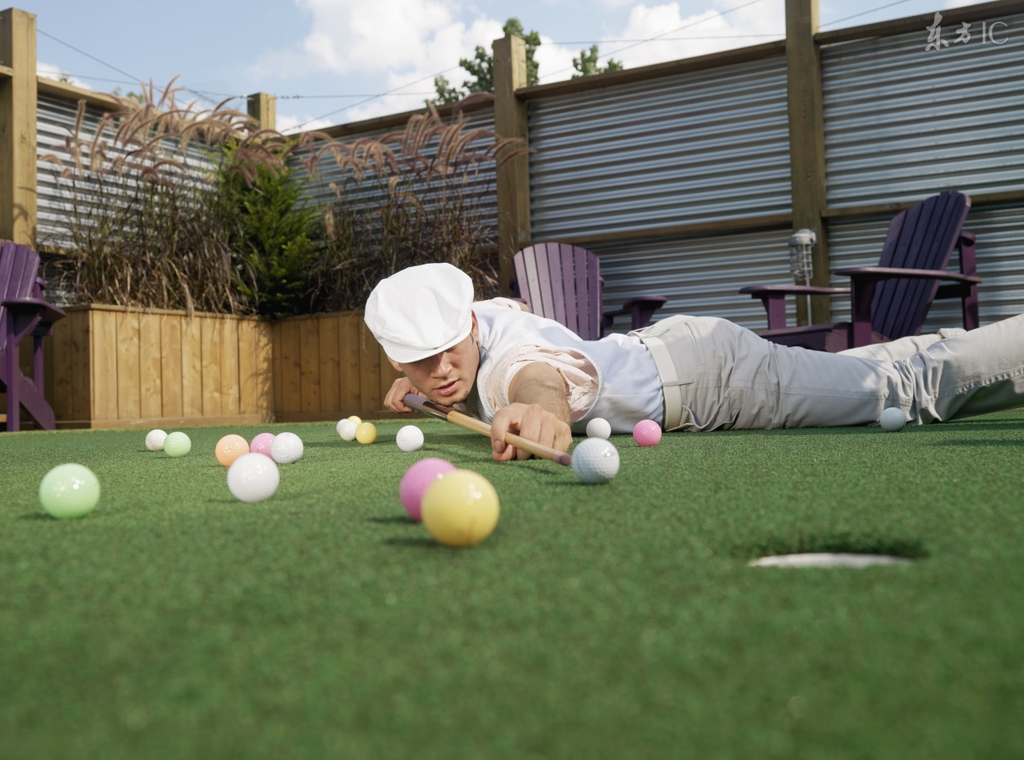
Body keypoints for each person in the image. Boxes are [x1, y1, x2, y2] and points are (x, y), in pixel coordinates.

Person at [364, 263, 1024, 462]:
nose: (442, 369)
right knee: (869, 372)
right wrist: (415, 384)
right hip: (683, 355)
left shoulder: (509, 351)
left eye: (449, 346)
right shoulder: (486, 319)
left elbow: (534, 378)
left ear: (471, 322)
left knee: (902, 388)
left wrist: (537, 413)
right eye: (419, 362)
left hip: (713, 382)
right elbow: (465, 351)